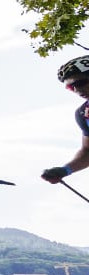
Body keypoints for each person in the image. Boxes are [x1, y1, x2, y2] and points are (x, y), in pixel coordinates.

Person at [42, 56, 89, 185]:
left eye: (79, 83)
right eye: (70, 87)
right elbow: (87, 151)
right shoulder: (82, 114)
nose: (76, 90)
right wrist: (65, 170)